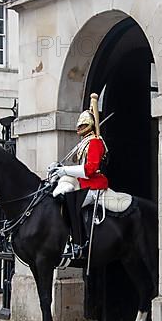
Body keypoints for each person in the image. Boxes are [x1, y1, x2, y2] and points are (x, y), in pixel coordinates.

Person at [49, 98, 108, 258]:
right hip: (84, 184)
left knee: (71, 203)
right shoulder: (85, 142)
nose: (79, 128)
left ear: (89, 125)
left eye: (82, 125)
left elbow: (90, 169)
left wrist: (65, 170)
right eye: (79, 125)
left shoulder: (95, 142)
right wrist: (59, 169)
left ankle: (78, 243)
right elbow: (78, 165)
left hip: (94, 185)